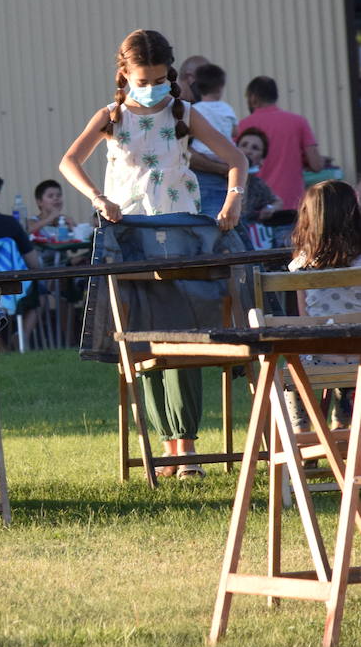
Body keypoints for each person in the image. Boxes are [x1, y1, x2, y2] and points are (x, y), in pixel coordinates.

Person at [59, 29, 246, 478]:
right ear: (125, 74)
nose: (152, 87)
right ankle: (166, 446)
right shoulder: (111, 116)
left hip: (181, 232)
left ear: (171, 74)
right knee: (143, 340)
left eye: (160, 78)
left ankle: (187, 447)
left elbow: (236, 158)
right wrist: (96, 198)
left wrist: (232, 199)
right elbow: (69, 161)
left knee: (184, 336)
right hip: (131, 235)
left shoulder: (188, 113)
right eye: (143, 79)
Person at [285, 180, 361, 430]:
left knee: (293, 364)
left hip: (319, 356)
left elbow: (304, 319)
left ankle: (300, 429)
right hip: (358, 354)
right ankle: (344, 419)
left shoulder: (301, 266)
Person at [238, 75, 326, 211]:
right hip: (291, 205)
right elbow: (316, 165)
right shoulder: (298, 122)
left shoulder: (242, 126)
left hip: (256, 208)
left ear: (253, 97)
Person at [186, 63, 238, 218]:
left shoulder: (196, 109)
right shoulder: (227, 108)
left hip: (203, 153)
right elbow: (236, 131)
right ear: (221, 87)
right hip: (225, 155)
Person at [235, 128, 282, 222]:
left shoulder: (258, 185)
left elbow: (278, 202)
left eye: (255, 148)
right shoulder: (218, 178)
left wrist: (270, 208)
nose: (248, 151)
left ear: (261, 160)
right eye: (244, 145)